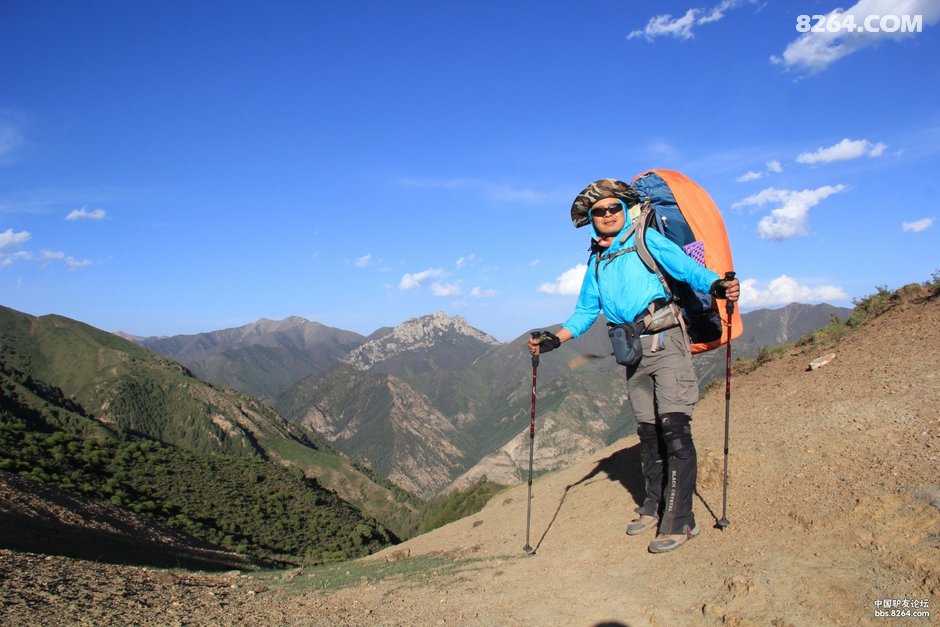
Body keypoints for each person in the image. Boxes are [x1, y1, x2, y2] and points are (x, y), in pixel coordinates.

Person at [528, 178, 740, 554]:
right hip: (632, 352)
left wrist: (716, 286)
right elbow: (585, 312)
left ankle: (680, 520)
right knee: (648, 432)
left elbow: (685, 267)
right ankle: (653, 504)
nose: (607, 215)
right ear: (591, 220)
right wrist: (554, 340)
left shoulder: (645, 240)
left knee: (674, 428)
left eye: (613, 208)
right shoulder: (597, 260)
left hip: (667, 341)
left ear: (625, 210)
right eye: (599, 211)